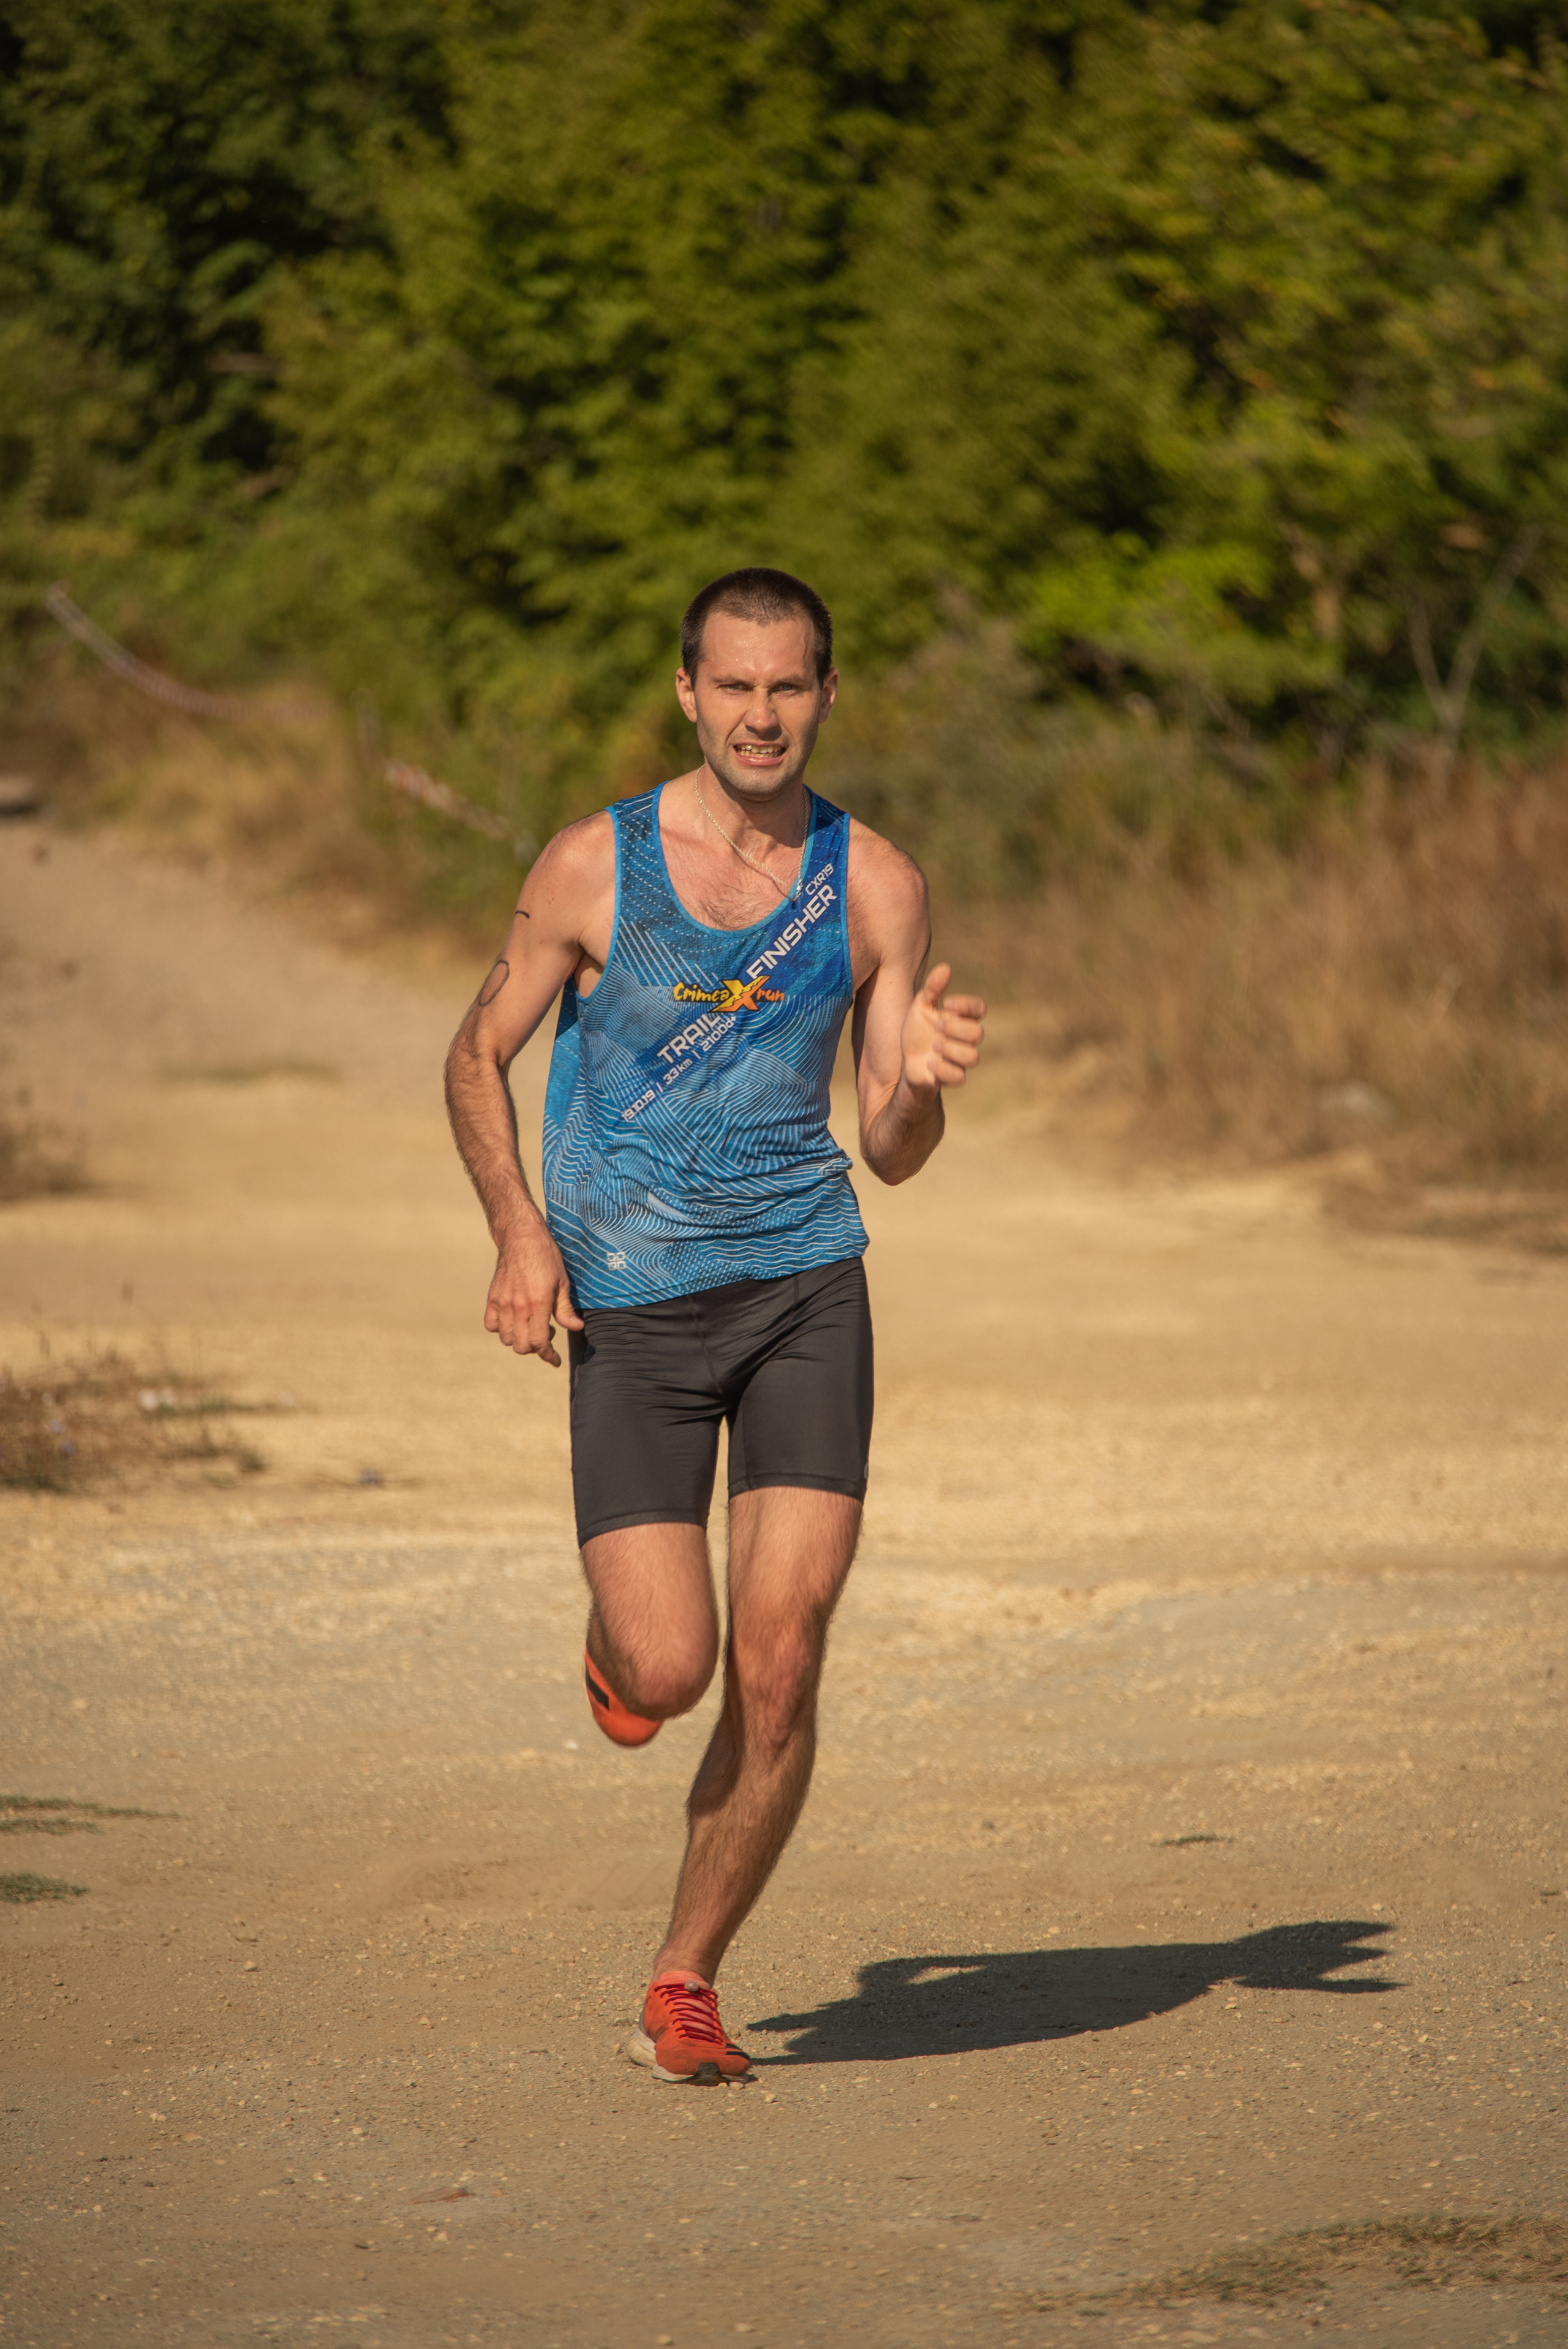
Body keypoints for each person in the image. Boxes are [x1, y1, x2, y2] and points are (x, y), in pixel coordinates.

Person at [444, 568, 985, 2085]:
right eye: (734, 685)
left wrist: (922, 1081)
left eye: (790, 685)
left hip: (806, 1287)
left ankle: (684, 1978)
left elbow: (885, 1145)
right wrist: (517, 1232)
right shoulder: (591, 869)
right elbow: (473, 1058)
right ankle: (621, 1654)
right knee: (675, 1664)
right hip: (632, 1311)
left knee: (781, 1657)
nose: (762, 713)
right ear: (689, 690)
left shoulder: (873, 884)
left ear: (825, 694)